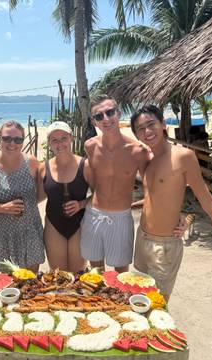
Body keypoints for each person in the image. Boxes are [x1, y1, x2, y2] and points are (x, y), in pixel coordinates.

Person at [130, 104, 212, 300]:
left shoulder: (183, 156)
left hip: (164, 246)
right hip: (142, 238)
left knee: (157, 305)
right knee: (139, 300)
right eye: (141, 129)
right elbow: (154, 197)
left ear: (163, 124)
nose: (147, 131)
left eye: (151, 124)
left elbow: (207, 200)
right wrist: (183, 216)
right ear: (136, 135)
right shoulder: (146, 158)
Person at [80, 94, 151, 273]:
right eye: (99, 116)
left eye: (110, 112)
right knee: (96, 273)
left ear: (119, 114)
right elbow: (95, 183)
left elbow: (152, 188)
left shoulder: (138, 150)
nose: (106, 119)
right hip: (94, 215)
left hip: (121, 218)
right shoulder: (90, 146)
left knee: (121, 275)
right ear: (94, 121)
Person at [0, 121, 44, 272]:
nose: (12, 143)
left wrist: (29, 205)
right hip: (1, 235)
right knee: (4, 287)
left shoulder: (32, 162)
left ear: (23, 141)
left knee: (30, 284)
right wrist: (2, 208)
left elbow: (41, 192)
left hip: (29, 231)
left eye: (17, 140)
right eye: (6, 139)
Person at [37, 121, 92, 272]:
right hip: (53, 225)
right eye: (54, 140)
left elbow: (101, 194)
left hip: (79, 225)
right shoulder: (43, 168)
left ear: (71, 139)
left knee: (77, 276)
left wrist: (81, 204)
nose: (59, 143)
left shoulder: (85, 165)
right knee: (59, 276)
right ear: (49, 143)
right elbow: (38, 197)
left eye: (63, 138)